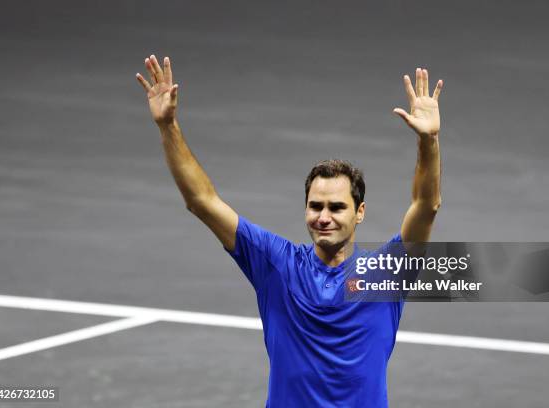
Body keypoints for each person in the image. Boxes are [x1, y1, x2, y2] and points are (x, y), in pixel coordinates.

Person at [136, 54, 442, 407]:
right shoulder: (276, 265)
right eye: (316, 206)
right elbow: (202, 201)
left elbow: (426, 205)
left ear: (360, 213)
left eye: (337, 207)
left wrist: (429, 141)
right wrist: (167, 126)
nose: (323, 217)